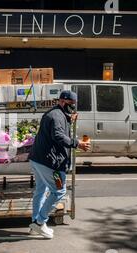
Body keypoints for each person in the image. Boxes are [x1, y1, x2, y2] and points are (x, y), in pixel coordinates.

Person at [29, 90, 91, 239]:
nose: (73, 108)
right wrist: (78, 144)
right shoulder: (56, 115)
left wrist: (70, 120)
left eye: (74, 105)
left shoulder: (57, 114)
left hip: (38, 159)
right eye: (70, 105)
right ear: (62, 101)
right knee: (59, 191)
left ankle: (35, 223)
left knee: (41, 190)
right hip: (49, 163)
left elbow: (57, 128)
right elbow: (57, 135)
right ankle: (39, 222)